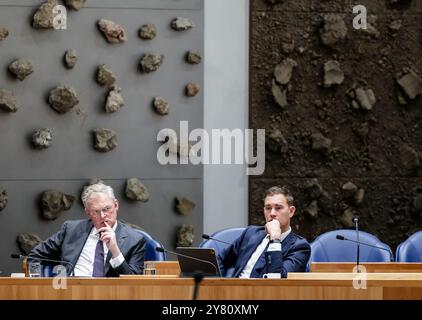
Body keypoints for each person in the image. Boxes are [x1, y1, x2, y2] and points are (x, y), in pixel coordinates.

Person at [28, 183, 146, 277]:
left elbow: (133, 283)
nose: (103, 215)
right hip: (71, 293)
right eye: (96, 211)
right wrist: (39, 282)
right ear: (88, 212)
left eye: (107, 208)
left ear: (116, 205)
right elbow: (35, 256)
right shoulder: (71, 229)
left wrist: (115, 250)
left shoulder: (134, 240)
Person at [218, 186, 310, 278]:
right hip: (233, 290)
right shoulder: (251, 233)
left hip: (265, 292)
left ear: (291, 211)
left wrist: (275, 239)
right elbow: (220, 259)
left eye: (278, 208)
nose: (272, 213)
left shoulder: (300, 247)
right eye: (268, 208)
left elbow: (277, 280)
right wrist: (216, 285)